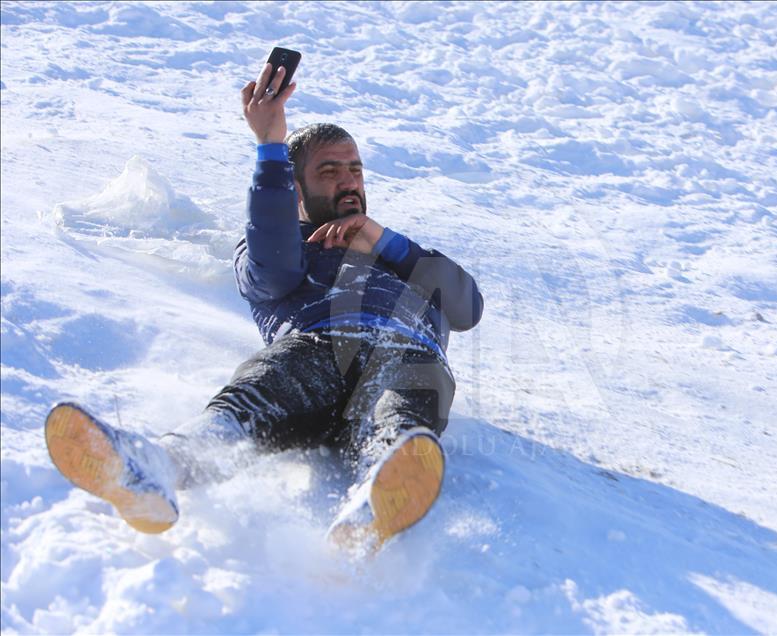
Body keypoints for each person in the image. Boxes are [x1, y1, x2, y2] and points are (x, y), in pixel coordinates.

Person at [44, 60, 483, 550]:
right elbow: (271, 264)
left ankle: (374, 505)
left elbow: (466, 307)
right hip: (317, 347)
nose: (348, 182)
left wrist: (386, 242)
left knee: (401, 412)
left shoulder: (398, 255)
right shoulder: (275, 247)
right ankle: (155, 469)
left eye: (355, 169)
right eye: (329, 171)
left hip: (408, 354)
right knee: (260, 390)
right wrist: (271, 147)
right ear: (296, 188)